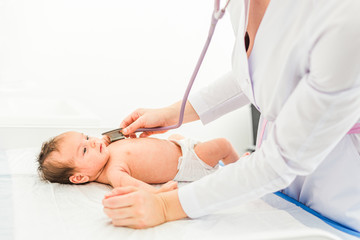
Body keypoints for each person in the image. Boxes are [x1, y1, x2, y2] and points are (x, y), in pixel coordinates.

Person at [102, 0, 360, 232]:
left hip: (339, 179)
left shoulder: (343, 18)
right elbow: (258, 73)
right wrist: (173, 113)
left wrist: (167, 205)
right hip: (279, 173)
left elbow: (281, 160)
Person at [37, 131, 239, 192]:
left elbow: (116, 139)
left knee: (176, 135)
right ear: (80, 177)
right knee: (222, 144)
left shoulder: (103, 151)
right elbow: (136, 187)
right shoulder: (114, 172)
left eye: (87, 137)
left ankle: (229, 165)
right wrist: (161, 192)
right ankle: (239, 168)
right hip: (188, 161)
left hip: (178, 145)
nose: (92, 143)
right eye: (83, 150)